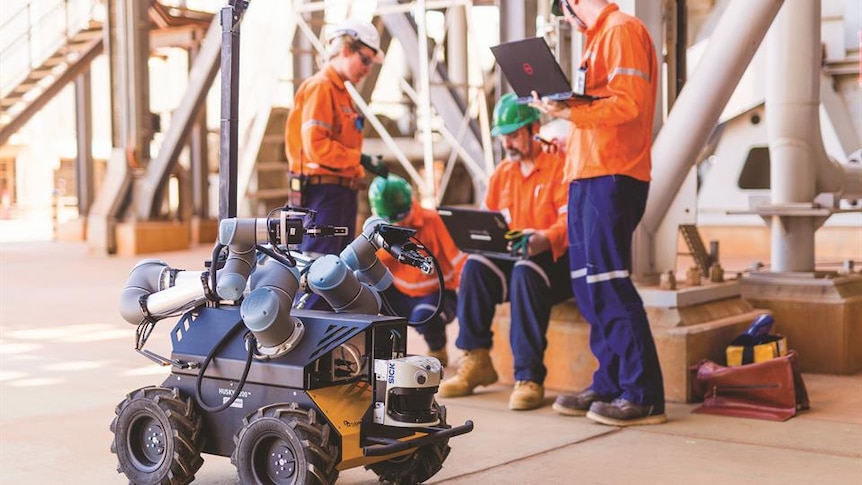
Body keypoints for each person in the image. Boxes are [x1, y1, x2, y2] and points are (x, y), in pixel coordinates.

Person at [533, 0, 666, 426]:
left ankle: (642, 393)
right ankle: (610, 381)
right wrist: (567, 133)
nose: (565, 16)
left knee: (608, 283)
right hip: (588, 174)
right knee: (589, 287)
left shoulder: (622, 31)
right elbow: (602, 113)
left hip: (613, 175)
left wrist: (572, 111)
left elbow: (629, 104)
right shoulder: (598, 41)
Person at [438, 93, 572, 411]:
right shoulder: (502, 174)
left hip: (553, 262)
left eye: (513, 135)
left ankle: (529, 377)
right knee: (475, 267)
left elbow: (570, 224)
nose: (508, 144)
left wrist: (542, 238)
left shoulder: (559, 168)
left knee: (526, 271)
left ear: (534, 129)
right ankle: (477, 360)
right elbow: (488, 222)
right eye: (504, 138)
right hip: (513, 257)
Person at [285, 18, 389, 257]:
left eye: (371, 63)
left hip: (337, 194)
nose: (367, 68)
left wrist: (358, 160)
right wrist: (359, 159)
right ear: (345, 50)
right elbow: (317, 147)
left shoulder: (341, 93)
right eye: (365, 59)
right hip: (322, 195)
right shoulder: (321, 87)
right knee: (320, 269)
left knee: (337, 271)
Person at [368, 175, 466, 366]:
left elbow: (459, 259)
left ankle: (437, 347)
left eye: (402, 218)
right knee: (366, 294)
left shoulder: (433, 221)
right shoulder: (377, 227)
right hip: (400, 295)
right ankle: (386, 353)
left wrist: (468, 296)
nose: (398, 225)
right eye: (391, 221)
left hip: (436, 295)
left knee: (424, 317)